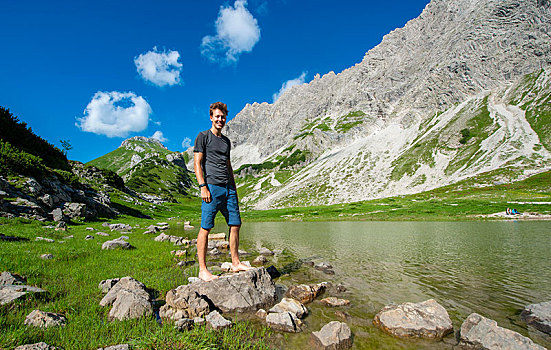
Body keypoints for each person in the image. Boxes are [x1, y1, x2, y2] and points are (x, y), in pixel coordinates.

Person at [193, 102, 252, 281]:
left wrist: (233, 188)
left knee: (235, 224)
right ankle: (203, 270)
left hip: (228, 189)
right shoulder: (202, 137)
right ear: (211, 117)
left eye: (223, 116)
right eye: (217, 116)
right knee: (206, 227)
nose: (220, 119)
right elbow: (197, 163)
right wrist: (203, 186)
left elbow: (228, 165)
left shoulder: (226, 142)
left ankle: (235, 263)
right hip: (211, 187)